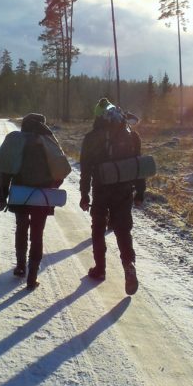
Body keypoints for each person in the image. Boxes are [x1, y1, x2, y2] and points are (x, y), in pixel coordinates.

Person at [0, 113, 70, 290]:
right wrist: (51, 187)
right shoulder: (49, 142)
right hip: (42, 195)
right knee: (38, 233)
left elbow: (4, 171)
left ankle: (21, 266)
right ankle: (33, 276)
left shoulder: (16, 141)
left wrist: (2, 196)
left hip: (20, 193)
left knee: (21, 228)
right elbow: (61, 170)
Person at [79, 102, 145, 296]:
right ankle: (129, 265)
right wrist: (140, 192)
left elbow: (85, 171)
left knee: (98, 229)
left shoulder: (91, 138)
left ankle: (99, 269)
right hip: (124, 190)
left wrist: (84, 195)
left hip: (101, 190)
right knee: (123, 230)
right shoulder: (132, 136)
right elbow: (137, 167)